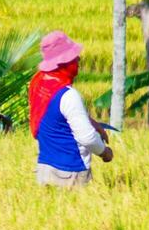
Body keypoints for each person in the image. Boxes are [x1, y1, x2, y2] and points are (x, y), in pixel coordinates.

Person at [29, 31, 114, 188]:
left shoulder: (38, 83)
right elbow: (87, 138)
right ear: (62, 63)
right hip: (70, 175)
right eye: (73, 57)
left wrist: (92, 122)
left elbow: (57, 115)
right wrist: (104, 152)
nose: (78, 59)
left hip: (43, 170)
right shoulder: (68, 95)